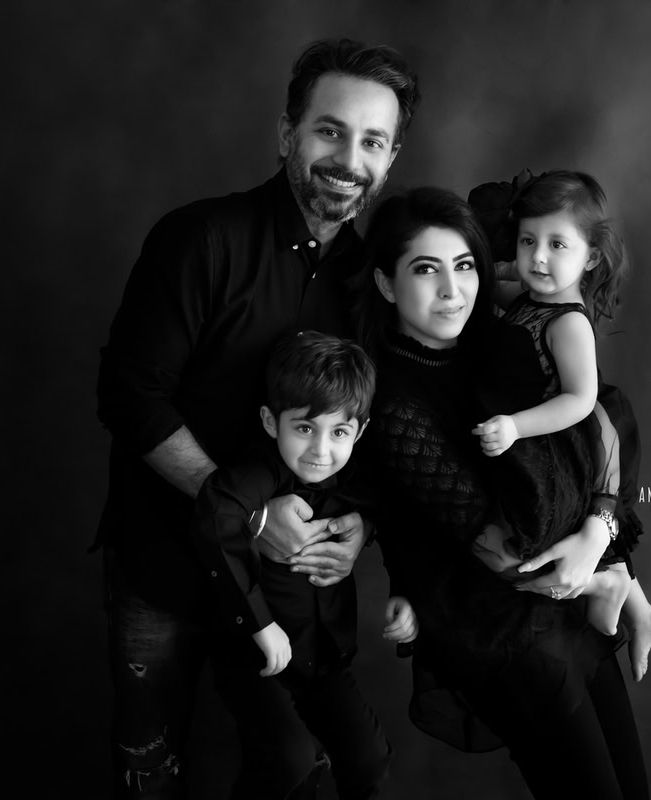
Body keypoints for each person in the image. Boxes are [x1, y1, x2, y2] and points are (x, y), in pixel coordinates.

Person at [93, 39, 419, 798]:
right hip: (165, 566)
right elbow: (130, 396)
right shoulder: (201, 239)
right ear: (286, 134)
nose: (349, 159)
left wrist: (361, 527)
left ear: (391, 158)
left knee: (289, 768)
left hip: (284, 595)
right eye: (330, 131)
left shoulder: (370, 285)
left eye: (373, 141)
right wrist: (249, 513)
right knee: (151, 765)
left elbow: (371, 429)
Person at [356, 187, 648, 799]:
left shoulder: (500, 335)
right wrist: (584, 577)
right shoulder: (397, 408)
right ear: (386, 284)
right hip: (504, 628)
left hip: (570, 595)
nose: (451, 290)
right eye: (425, 270)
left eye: (463, 266)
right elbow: (490, 544)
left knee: (632, 787)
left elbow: (601, 418)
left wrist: (598, 531)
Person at [190, 331, 412, 799]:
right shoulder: (259, 470)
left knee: (370, 759)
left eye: (339, 433)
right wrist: (259, 623)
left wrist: (399, 580)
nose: (320, 451)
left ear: (360, 431)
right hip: (256, 658)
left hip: (323, 660)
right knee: (289, 760)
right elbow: (215, 515)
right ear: (271, 422)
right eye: (305, 429)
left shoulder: (356, 471)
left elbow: (396, 512)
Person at [468, 169, 651, 680]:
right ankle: (642, 612)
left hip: (557, 441)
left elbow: (580, 400)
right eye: (528, 240)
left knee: (523, 544)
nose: (538, 258)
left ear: (592, 256)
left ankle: (608, 589)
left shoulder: (568, 322)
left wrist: (516, 427)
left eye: (557, 244)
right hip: (535, 437)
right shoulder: (530, 295)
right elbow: (487, 281)